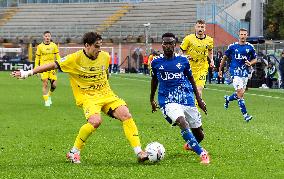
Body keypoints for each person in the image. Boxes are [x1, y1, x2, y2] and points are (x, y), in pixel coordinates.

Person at [11, 32, 149, 164]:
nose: (99, 49)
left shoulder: (105, 57)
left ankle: (139, 152)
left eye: (100, 46)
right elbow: (53, 65)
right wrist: (27, 72)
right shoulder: (74, 58)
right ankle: (74, 152)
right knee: (95, 121)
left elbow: (105, 72)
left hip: (106, 94)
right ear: (87, 45)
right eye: (96, 46)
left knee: (126, 115)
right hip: (88, 97)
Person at [150, 33, 210, 164]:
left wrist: (199, 100)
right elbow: (154, 80)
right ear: (162, 45)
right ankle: (202, 154)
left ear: (175, 45)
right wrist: (151, 99)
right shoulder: (155, 62)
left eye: (170, 43)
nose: (167, 46)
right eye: (165, 43)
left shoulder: (183, 61)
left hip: (186, 98)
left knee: (200, 135)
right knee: (182, 121)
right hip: (167, 100)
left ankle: (191, 144)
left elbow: (191, 79)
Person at [218, 28, 257, 122]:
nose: (243, 36)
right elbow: (224, 58)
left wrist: (250, 63)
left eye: (244, 34)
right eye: (241, 34)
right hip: (234, 72)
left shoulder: (250, 47)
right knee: (240, 93)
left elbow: (255, 59)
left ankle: (228, 98)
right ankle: (245, 115)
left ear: (247, 35)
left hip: (245, 73)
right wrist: (220, 69)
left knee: (241, 93)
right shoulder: (232, 46)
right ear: (238, 35)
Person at [180, 19, 214, 98]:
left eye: (202, 27)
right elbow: (181, 51)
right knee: (188, 90)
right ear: (195, 27)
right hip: (190, 66)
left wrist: (211, 60)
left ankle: (196, 109)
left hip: (202, 66)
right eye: (198, 26)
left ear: (205, 28)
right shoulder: (188, 38)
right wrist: (184, 57)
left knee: (199, 90)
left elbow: (210, 51)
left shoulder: (209, 40)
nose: (200, 28)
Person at [34, 31, 61, 107]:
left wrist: (60, 63)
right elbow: (37, 58)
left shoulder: (54, 45)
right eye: (46, 36)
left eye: (48, 36)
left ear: (50, 37)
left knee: (54, 85)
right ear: (43, 37)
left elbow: (58, 56)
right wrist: (36, 68)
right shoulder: (40, 46)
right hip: (43, 68)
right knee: (45, 83)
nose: (47, 37)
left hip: (52, 67)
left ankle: (48, 95)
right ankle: (46, 101)